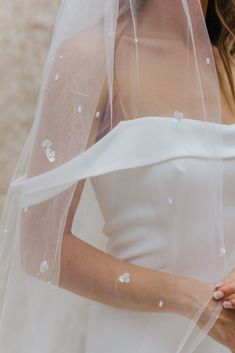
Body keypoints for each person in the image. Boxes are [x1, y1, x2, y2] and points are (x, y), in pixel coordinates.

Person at [0, 0, 234, 352]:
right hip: (139, 341)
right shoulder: (93, 58)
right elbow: (40, 246)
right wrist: (191, 301)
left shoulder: (229, 59)